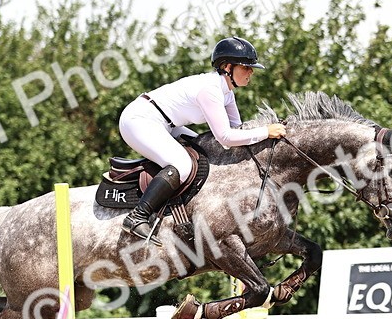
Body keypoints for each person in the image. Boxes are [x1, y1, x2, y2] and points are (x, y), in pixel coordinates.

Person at [117, 36, 286, 243]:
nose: (251, 72)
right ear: (227, 67)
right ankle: (137, 216)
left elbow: (238, 130)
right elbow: (225, 137)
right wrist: (266, 132)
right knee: (182, 164)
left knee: (203, 148)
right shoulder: (210, 90)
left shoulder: (227, 92)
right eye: (246, 67)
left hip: (166, 124)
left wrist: (269, 131)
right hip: (139, 120)